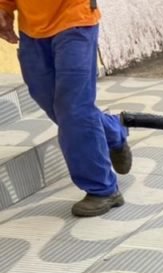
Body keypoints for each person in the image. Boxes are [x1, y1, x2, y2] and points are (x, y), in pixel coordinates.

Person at [0, 0, 132, 217]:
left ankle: (102, 189)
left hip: (74, 18)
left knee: (73, 107)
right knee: (50, 101)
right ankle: (113, 130)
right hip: (31, 29)